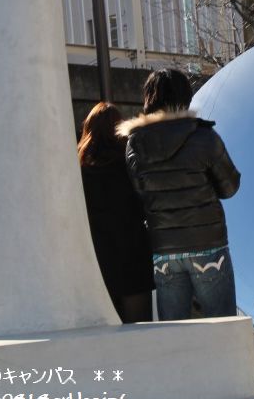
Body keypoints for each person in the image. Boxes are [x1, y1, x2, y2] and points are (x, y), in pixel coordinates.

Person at [117, 68, 241, 321]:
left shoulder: (134, 144)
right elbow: (230, 188)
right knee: (224, 327)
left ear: (149, 99)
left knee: (173, 334)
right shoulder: (203, 136)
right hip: (208, 246)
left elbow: (142, 194)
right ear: (186, 96)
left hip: (164, 250)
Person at [77, 101, 155, 323]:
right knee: (140, 331)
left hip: (97, 262)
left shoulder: (79, 171)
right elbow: (144, 205)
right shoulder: (130, 164)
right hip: (133, 258)